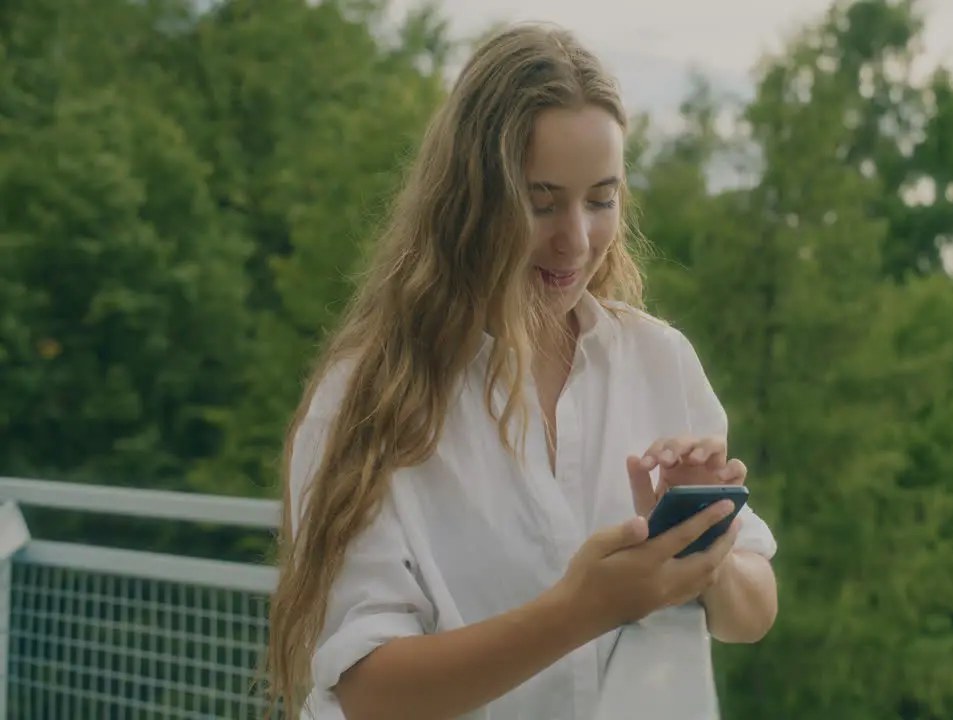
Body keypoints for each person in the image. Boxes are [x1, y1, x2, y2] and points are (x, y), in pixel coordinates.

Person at [265, 22, 779, 720]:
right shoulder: (365, 400)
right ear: (469, 202)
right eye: (540, 203)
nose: (577, 238)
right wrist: (582, 609)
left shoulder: (660, 361)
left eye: (601, 199)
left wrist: (699, 548)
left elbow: (752, 613)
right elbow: (367, 689)